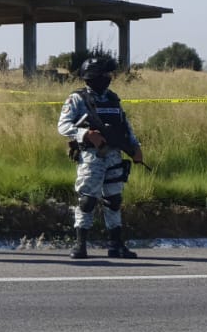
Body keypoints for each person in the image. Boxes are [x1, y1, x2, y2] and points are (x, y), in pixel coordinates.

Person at [57, 55, 146, 259]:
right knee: (87, 201)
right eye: (105, 74)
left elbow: (125, 126)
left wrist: (135, 148)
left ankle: (116, 245)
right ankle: (80, 245)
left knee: (114, 200)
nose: (108, 77)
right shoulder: (77, 99)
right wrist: (86, 134)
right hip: (91, 157)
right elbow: (63, 126)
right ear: (93, 76)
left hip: (114, 156)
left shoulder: (113, 98)